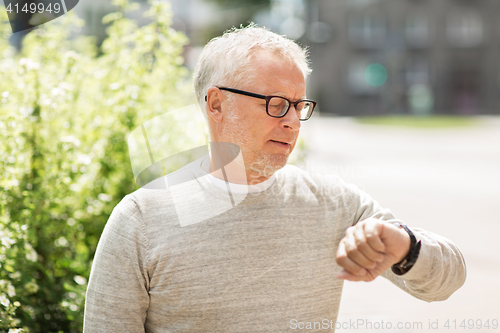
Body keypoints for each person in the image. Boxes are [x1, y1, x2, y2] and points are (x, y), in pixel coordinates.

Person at [83, 24, 466, 332]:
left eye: (299, 105)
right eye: (275, 103)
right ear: (217, 104)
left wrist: (404, 246)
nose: (291, 121)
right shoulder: (139, 220)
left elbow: (447, 281)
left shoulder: (335, 204)